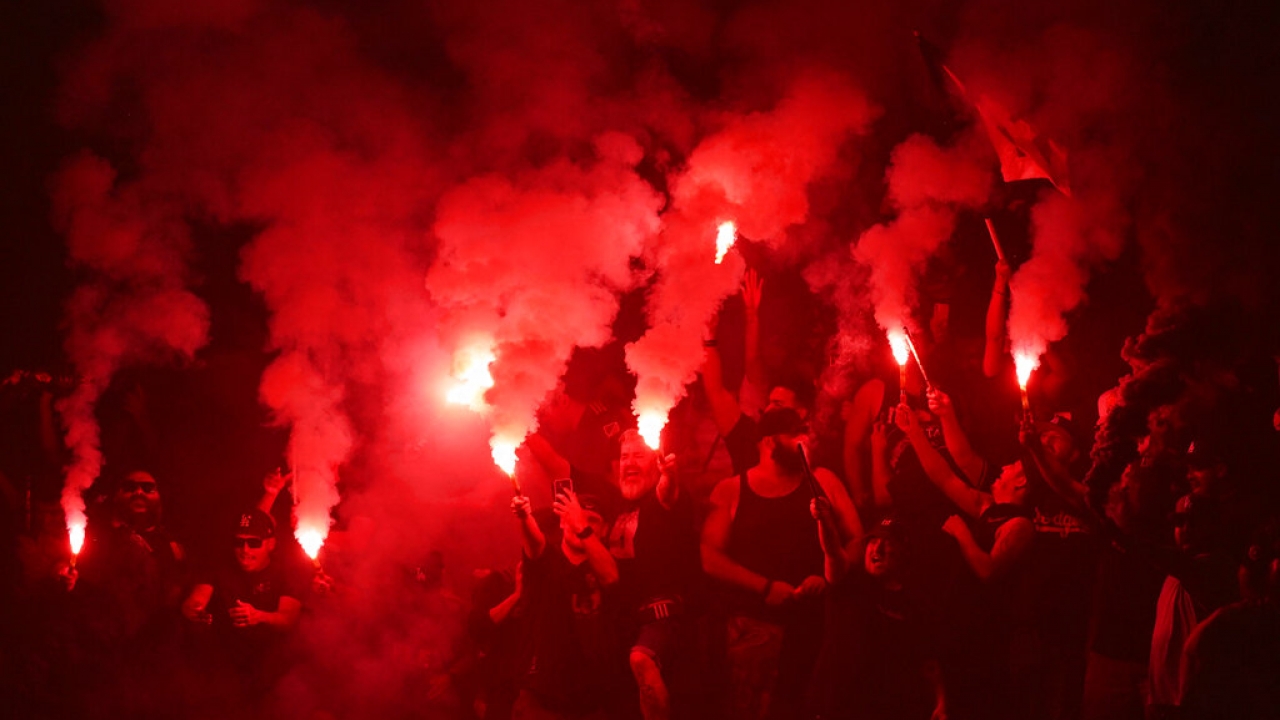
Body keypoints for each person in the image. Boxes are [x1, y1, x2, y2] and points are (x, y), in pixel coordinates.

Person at [702, 407, 862, 719]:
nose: (805, 442)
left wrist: (827, 576)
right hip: (753, 626)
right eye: (795, 435)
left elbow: (858, 540)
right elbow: (709, 557)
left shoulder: (823, 480)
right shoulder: (731, 490)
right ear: (768, 442)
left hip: (815, 626)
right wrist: (765, 587)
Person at [808, 517, 947, 720]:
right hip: (831, 709)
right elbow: (832, 551)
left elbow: (929, 664)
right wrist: (824, 520)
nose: (877, 548)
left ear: (904, 553)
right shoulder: (849, 583)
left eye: (888, 543)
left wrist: (941, 703)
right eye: (873, 541)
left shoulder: (915, 606)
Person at [603, 429, 699, 720]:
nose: (629, 463)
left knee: (641, 660)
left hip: (664, 618)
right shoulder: (618, 508)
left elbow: (667, 490)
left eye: (639, 456)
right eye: (624, 457)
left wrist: (668, 475)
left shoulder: (664, 500)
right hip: (624, 621)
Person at [509, 485, 619, 719]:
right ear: (561, 522)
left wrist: (581, 526)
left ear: (605, 530)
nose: (581, 523)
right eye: (573, 518)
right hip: (541, 704)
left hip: (592, 706)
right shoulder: (546, 561)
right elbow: (535, 542)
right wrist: (525, 516)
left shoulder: (605, 566)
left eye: (593, 520)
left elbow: (611, 576)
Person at [182, 508, 303, 707]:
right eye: (239, 542)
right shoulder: (221, 567)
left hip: (272, 666)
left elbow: (288, 619)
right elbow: (197, 597)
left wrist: (258, 616)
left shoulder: (286, 572)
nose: (245, 550)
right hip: (225, 666)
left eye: (254, 543)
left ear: (270, 544)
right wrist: (193, 610)